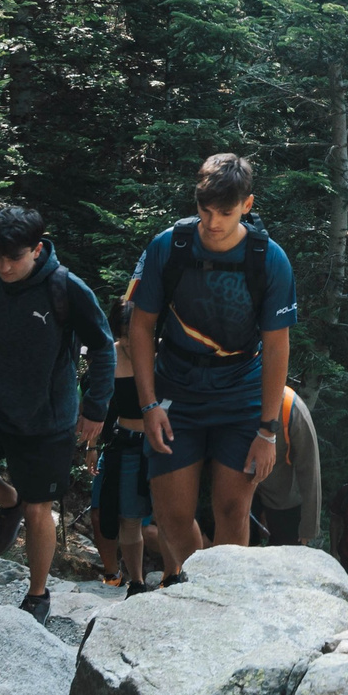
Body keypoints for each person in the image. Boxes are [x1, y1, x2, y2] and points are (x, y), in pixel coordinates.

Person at [129, 153, 298, 567]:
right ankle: (196, 581)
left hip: (240, 393)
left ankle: (225, 597)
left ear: (247, 205)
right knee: (171, 517)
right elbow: (140, 327)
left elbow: (277, 347)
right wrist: (148, 405)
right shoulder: (169, 246)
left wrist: (268, 430)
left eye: (225, 211)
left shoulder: (269, 259)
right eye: (205, 210)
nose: (214, 222)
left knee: (231, 510)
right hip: (176, 391)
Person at [0, 206, 113, 623]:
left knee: (41, 508)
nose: (4, 266)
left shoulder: (65, 288)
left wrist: (95, 408)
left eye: (14, 258)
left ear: (36, 250)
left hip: (48, 418)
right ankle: (9, 498)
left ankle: (38, 595)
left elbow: (103, 347)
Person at [86, 289, 161, 594]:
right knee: (116, 516)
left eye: (136, 334)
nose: (130, 343)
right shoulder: (109, 357)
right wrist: (91, 447)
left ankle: (175, 575)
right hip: (123, 444)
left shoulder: (163, 355)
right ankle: (134, 582)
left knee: (165, 520)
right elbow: (98, 405)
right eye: (124, 335)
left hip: (161, 448)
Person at [251, 386, 320, 549]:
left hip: (284, 498)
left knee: (285, 554)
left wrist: (308, 529)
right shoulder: (235, 398)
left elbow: (310, 473)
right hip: (245, 489)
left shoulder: (292, 409)